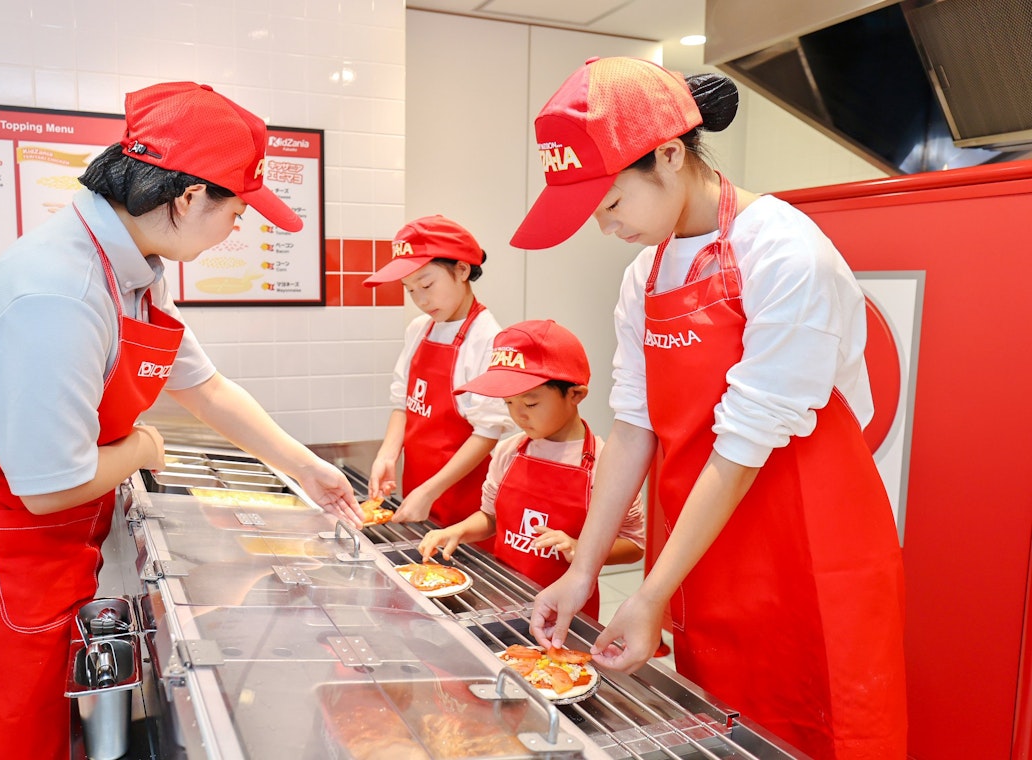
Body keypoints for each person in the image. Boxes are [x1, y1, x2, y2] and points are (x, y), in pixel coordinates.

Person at [0, 82, 362, 759]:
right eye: (239, 209)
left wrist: (307, 471)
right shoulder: (57, 291)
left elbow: (204, 385)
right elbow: (49, 485)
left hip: (44, 542)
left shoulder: (134, 266)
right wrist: (141, 445)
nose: (241, 225)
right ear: (189, 197)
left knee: (46, 731)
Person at [514, 58, 906, 759]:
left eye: (609, 205)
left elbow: (746, 441)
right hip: (707, 548)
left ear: (669, 155)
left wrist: (653, 591)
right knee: (718, 730)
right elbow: (633, 425)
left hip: (805, 546)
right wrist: (585, 570)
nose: (605, 228)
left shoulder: (785, 253)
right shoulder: (647, 272)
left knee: (823, 729)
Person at [417, 319, 644, 620]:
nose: (519, 415)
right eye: (509, 403)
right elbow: (491, 518)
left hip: (567, 614)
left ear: (575, 394)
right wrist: (457, 531)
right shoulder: (507, 451)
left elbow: (635, 545)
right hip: (502, 598)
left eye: (531, 403)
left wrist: (580, 550)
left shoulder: (607, 464)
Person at [364, 215, 514, 526]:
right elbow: (402, 404)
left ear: (462, 269)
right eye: (409, 290)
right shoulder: (420, 330)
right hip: (419, 492)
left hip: (465, 505)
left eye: (427, 284)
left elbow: (487, 433)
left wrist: (430, 491)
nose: (420, 299)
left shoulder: (488, 339)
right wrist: (387, 456)